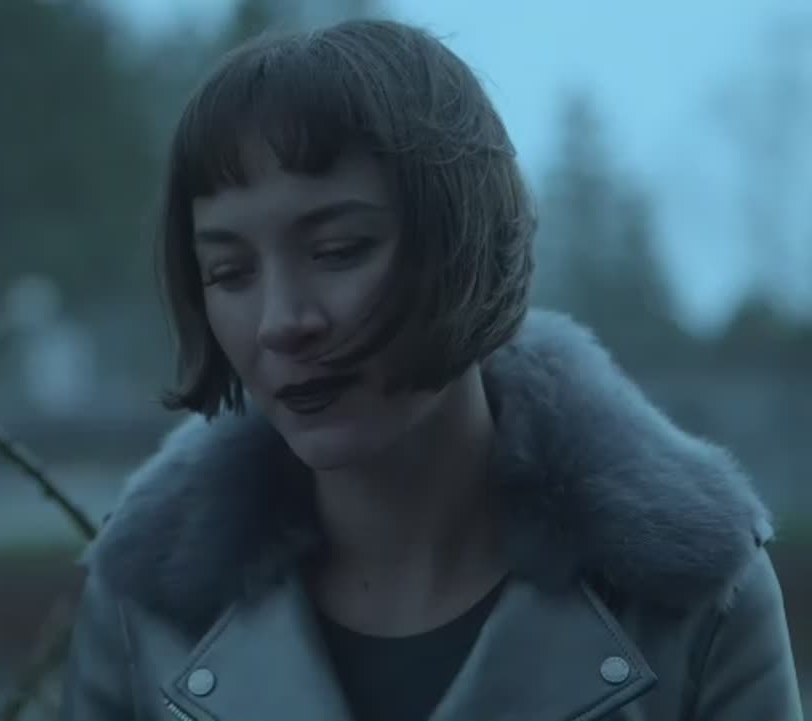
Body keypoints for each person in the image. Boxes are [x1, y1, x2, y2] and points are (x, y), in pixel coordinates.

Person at [57, 17, 803, 721]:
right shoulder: (144, 608)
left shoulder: (695, 600)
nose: (281, 319)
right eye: (229, 272)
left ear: (465, 247)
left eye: (338, 251)